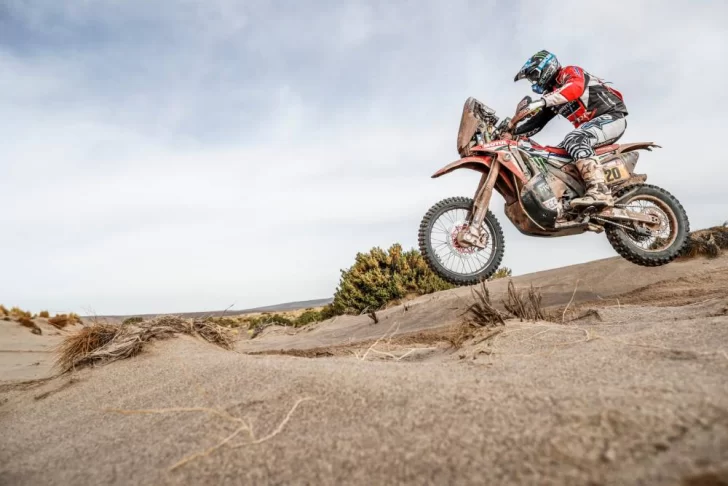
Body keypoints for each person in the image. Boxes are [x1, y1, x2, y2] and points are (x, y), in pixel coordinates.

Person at [510, 50, 629, 208]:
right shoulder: (552, 94)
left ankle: (600, 190)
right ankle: (568, 197)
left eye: (534, 76)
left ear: (547, 67)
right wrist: (511, 132)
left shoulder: (570, 72)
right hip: (590, 129)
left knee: (574, 139)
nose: (534, 81)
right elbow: (537, 122)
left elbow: (575, 87)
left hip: (612, 117)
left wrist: (541, 102)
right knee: (550, 156)